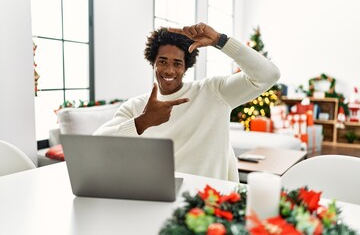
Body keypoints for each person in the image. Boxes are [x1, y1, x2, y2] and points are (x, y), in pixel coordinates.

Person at [94, 23, 280, 182]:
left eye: (177, 63)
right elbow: (96, 146)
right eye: (162, 62)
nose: (169, 70)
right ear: (153, 63)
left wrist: (219, 41)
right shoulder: (135, 106)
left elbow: (268, 75)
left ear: (186, 67)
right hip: (159, 196)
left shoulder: (213, 91)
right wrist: (143, 121)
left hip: (210, 200)